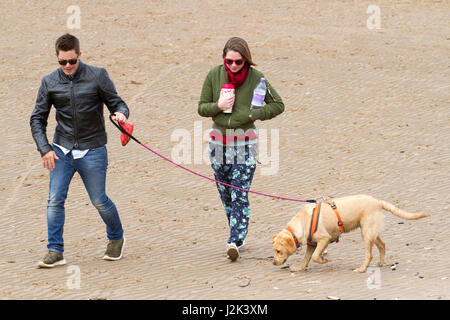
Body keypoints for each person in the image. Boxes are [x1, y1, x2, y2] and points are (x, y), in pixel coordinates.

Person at [30, 34, 128, 268]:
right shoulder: (49, 82)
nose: (67, 67)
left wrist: (121, 114)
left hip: (93, 150)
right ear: (56, 57)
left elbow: (117, 103)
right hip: (61, 151)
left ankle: (116, 238)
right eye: (62, 62)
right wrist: (45, 149)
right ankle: (55, 251)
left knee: (99, 200)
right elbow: (37, 118)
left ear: (79, 55)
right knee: (54, 200)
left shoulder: (98, 75)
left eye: (72, 61)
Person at [198, 37, 285, 261]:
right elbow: (201, 107)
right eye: (229, 61)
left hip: (245, 143)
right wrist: (218, 106)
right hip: (218, 144)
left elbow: (278, 104)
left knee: (239, 192)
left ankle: (235, 240)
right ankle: (238, 233)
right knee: (225, 193)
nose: (234, 66)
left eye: (238, 62)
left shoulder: (257, 79)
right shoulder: (213, 75)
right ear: (223, 59)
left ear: (246, 60)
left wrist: (253, 114)